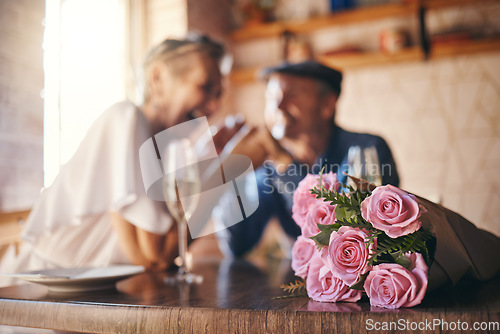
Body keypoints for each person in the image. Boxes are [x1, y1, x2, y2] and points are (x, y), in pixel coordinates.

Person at [0, 34, 229, 285]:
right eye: (205, 87)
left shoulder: (162, 153)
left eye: (219, 94)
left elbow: (168, 249)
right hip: (35, 296)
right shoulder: (125, 118)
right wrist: (231, 168)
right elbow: (155, 258)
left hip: (92, 299)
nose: (215, 106)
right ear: (158, 78)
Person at [214, 60, 400, 257]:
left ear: (327, 104)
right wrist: (234, 169)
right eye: (272, 97)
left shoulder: (367, 150)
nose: (278, 105)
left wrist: (284, 163)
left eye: (291, 95)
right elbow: (237, 244)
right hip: (298, 283)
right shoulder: (268, 166)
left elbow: (349, 235)